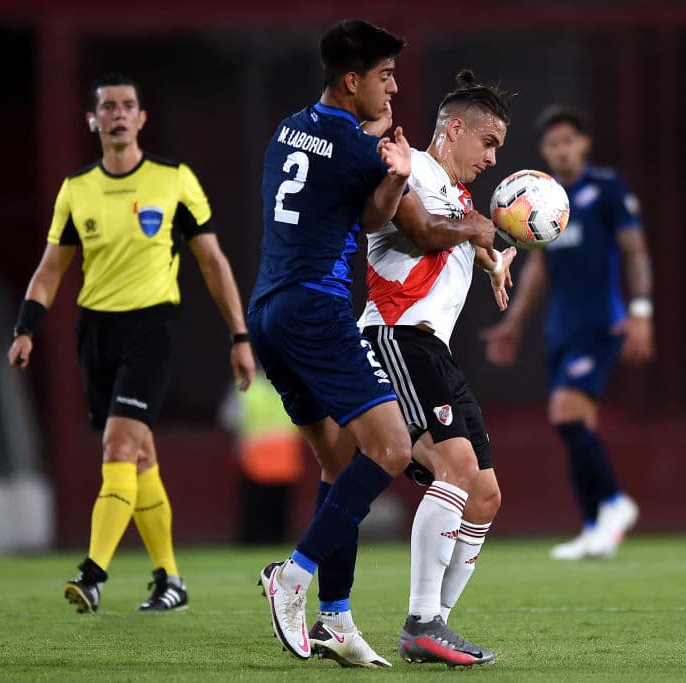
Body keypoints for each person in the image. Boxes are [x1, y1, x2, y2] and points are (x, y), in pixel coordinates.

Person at [249, 19, 495, 666]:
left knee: (337, 463)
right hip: (318, 309)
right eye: (385, 76)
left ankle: (335, 617)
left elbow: (365, 213)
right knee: (388, 448)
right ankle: (293, 576)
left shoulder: (289, 129)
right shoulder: (358, 148)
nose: (393, 89)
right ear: (352, 80)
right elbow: (417, 229)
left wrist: (385, 174)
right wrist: (472, 223)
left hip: (269, 308)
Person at [8, 73, 256, 613]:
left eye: (127, 106)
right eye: (108, 107)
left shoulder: (174, 181)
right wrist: (25, 327)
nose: (118, 114)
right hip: (96, 333)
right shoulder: (77, 189)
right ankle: (171, 580)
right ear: (92, 120)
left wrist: (240, 335)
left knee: (118, 446)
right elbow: (50, 269)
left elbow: (213, 262)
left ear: (142, 118)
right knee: (139, 456)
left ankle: (93, 573)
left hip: (151, 328)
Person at [355, 69, 513, 667]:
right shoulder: (409, 170)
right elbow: (422, 232)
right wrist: (476, 231)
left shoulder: (462, 200)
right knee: (456, 468)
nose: (492, 159)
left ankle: (434, 624)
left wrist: (493, 259)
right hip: (396, 337)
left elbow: (465, 230)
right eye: (488, 143)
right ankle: (420, 621)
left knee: (485, 495)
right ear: (454, 129)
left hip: (434, 351)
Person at [480, 104, 653, 560]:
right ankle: (595, 527)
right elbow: (539, 266)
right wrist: (515, 323)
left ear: (584, 144)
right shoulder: (545, 199)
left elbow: (635, 251)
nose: (562, 150)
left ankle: (614, 503)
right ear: (544, 150)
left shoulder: (606, 189)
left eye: (568, 141)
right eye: (553, 143)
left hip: (602, 321)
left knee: (566, 415)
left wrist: (641, 311)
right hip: (562, 327)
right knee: (577, 428)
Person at [218, 368, 305, 544]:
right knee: (278, 516)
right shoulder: (296, 385)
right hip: (282, 460)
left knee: (256, 514)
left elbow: (228, 419)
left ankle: (254, 542)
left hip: (257, 461)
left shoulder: (247, 386)